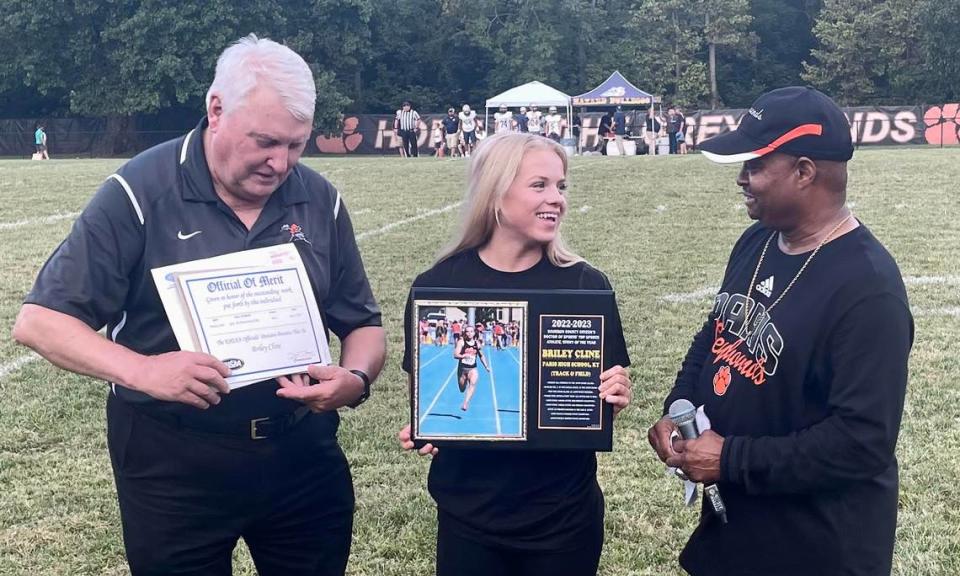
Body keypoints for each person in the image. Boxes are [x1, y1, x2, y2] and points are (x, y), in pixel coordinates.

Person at [12, 34, 387, 576]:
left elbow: (362, 323)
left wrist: (355, 378)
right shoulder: (138, 191)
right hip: (171, 457)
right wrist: (144, 370)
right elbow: (40, 320)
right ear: (216, 110)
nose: (280, 162)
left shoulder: (319, 198)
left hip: (299, 452)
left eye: (296, 144)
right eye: (264, 141)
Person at [647, 86, 912, 576]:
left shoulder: (868, 289)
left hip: (815, 549)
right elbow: (716, 334)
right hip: (736, 535)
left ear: (804, 171)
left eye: (754, 166)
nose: (741, 179)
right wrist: (679, 408)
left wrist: (731, 460)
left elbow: (861, 442)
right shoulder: (757, 241)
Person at [397, 132, 633, 576]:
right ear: (495, 193)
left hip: (563, 515)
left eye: (561, 186)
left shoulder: (586, 285)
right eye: (539, 185)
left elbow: (592, 404)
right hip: (470, 516)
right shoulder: (437, 285)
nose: (557, 199)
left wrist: (612, 397)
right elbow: (424, 395)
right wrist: (425, 426)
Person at [453, 324, 490, 411]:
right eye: (467, 331)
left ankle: (465, 403)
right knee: (462, 388)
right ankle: (464, 382)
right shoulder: (461, 342)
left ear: (474, 333)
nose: (469, 333)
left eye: (471, 331)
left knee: (473, 383)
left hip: (473, 368)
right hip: (462, 369)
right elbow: (455, 355)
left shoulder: (477, 343)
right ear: (465, 333)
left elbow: (481, 355)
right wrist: (463, 356)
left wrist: (486, 366)